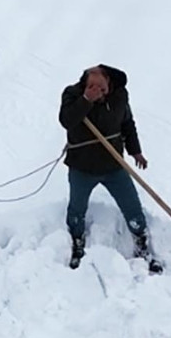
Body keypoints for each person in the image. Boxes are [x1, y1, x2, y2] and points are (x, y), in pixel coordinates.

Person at [58, 64, 153, 270]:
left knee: (131, 205)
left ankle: (141, 240)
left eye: (101, 88)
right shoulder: (72, 95)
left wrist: (135, 151)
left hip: (113, 166)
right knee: (77, 208)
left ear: (109, 84)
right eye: (92, 86)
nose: (97, 92)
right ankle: (76, 240)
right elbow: (66, 120)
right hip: (81, 167)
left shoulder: (119, 96)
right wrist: (85, 101)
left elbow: (127, 123)